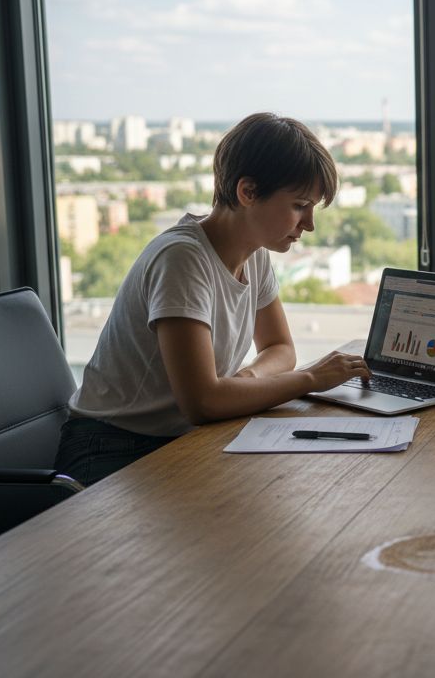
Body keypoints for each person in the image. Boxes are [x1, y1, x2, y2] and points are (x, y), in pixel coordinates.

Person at [55, 112, 372, 485]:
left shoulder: (255, 256)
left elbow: (280, 347)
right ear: (248, 192)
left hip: (182, 436)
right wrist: (310, 378)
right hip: (112, 447)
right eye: (300, 205)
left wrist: (249, 378)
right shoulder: (182, 260)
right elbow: (203, 401)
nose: (309, 224)